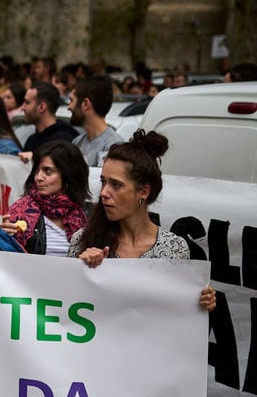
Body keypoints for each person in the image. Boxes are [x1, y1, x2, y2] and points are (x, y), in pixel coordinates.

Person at [69, 130, 216, 312]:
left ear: (143, 192)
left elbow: (176, 314)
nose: (104, 192)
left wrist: (201, 303)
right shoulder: (83, 241)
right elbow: (65, 308)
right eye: (103, 182)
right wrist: (79, 271)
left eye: (116, 185)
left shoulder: (174, 249)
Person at [0, 140, 89, 256]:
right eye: (37, 171)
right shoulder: (20, 211)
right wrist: (3, 237)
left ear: (67, 175)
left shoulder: (82, 216)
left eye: (48, 171)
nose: (38, 177)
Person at [69, 75, 125, 167]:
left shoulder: (113, 145)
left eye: (71, 100)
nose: (69, 107)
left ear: (86, 104)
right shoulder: (77, 142)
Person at [19, 81, 78, 158]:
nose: (22, 108)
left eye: (27, 103)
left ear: (42, 107)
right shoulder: (31, 140)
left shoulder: (63, 140)